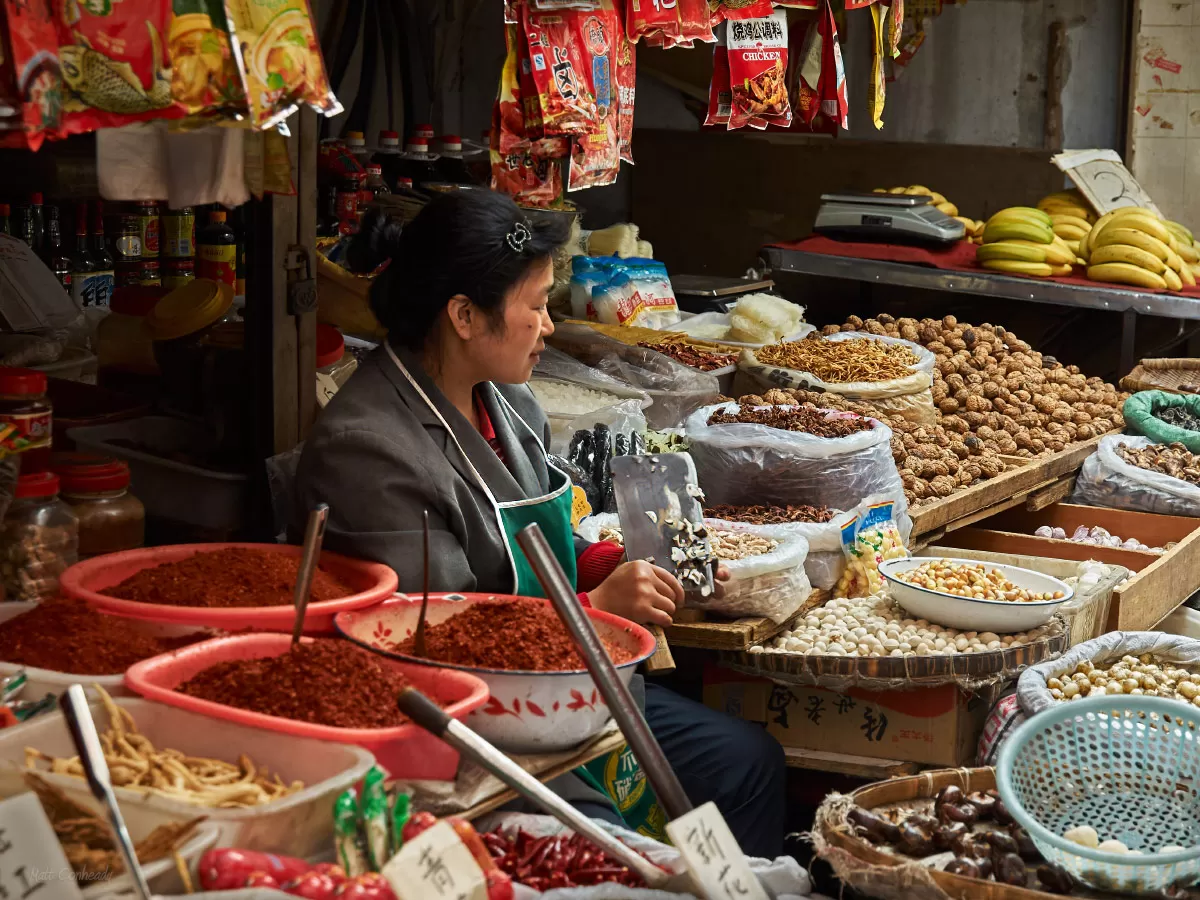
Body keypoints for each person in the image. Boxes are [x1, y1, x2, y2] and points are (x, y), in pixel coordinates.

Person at [293, 190, 785, 857]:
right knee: (605, 846)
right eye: (535, 307)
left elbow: (545, 538)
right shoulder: (368, 449)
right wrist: (591, 612)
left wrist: (623, 565)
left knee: (748, 762)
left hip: (574, 687)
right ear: (465, 315)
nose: (549, 326)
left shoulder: (510, 401)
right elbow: (429, 644)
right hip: (475, 729)